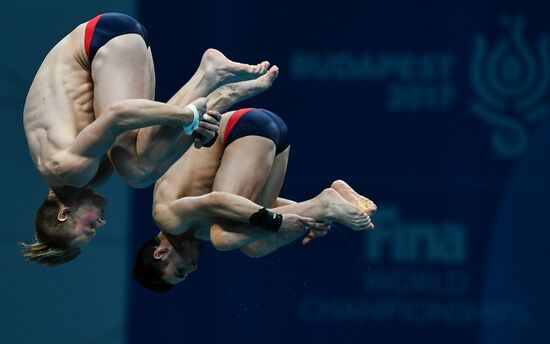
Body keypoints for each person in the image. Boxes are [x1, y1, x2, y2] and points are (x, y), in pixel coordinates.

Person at [20, 12, 279, 265]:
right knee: (136, 161)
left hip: (100, 45)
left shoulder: (68, 170)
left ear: (65, 213)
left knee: (136, 171)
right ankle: (211, 81)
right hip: (112, 41)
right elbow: (146, 134)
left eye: (89, 227)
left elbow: (119, 114)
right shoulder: (82, 176)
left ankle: (213, 83)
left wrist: (186, 117)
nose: (101, 223)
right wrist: (195, 128)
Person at [132, 108, 377, 292]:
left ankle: (325, 204)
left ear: (161, 253)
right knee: (254, 245)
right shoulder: (199, 231)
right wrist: (309, 218)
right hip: (271, 133)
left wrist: (277, 222)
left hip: (241, 129)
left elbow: (217, 200)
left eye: (180, 269)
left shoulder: (167, 217)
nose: (193, 267)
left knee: (224, 237)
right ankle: (325, 203)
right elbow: (257, 208)